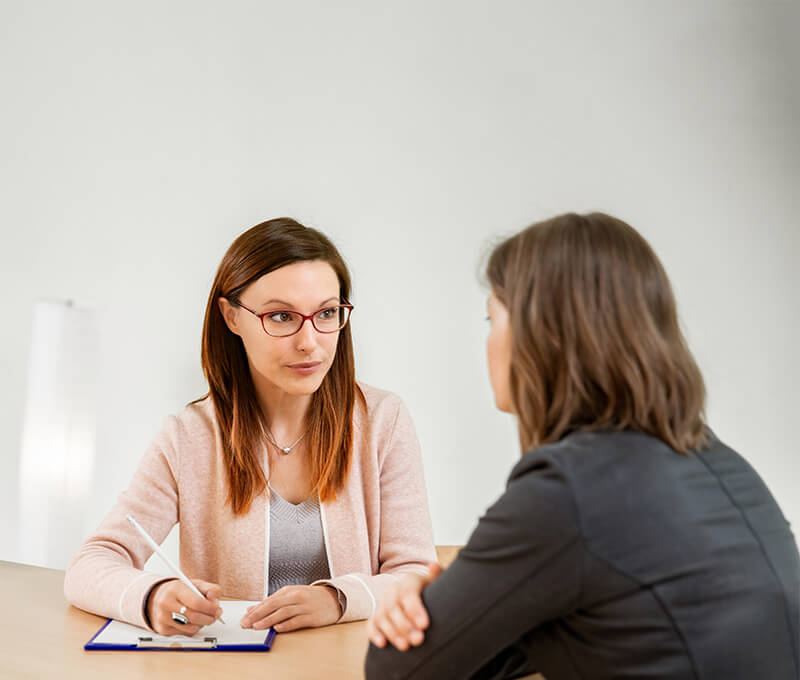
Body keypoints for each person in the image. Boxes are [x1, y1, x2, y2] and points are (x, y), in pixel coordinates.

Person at [365, 212, 800, 679]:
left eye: (493, 318)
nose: (488, 341)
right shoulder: (716, 459)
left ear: (542, 336)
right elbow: (575, 625)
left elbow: (398, 671)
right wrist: (469, 607)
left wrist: (429, 609)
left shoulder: (566, 494)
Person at [64, 217, 435, 637]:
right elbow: (90, 564)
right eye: (281, 317)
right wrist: (152, 594)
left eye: (327, 313)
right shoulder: (191, 437)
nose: (309, 342)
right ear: (231, 317)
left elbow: (417, 574)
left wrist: (337, 599)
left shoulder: (383, 420)